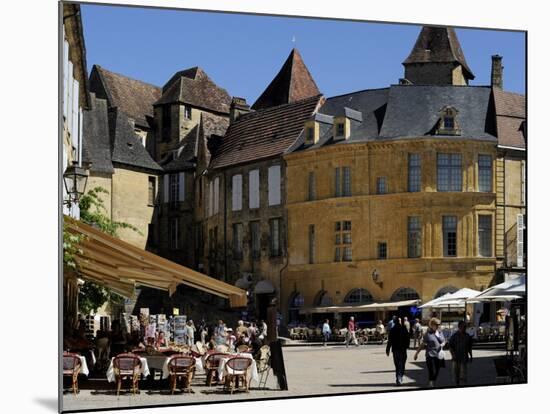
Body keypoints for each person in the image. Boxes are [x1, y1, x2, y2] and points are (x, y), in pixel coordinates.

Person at [414, 317, 445, 387]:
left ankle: (433, 380)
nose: (438, 326)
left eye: (439, 324)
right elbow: (422, 344)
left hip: (438, 354)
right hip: (430, 354)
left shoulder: (440, 332)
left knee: (437, 370)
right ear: (432, 325)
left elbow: (443, 341)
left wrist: (442, 343)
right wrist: (416, 353)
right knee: (431, 370)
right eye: (436, 324)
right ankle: (431, 382)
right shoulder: (427, 334)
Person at [386, 317, 410, 385]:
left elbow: (389, 341)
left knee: (398, 365)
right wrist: (407, 346)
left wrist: (387, 349)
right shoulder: (403, 328)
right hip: (401, 350)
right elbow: (407, 338)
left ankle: (399, 377)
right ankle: (399, 377)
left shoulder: (393, 329)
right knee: (401, 364)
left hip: (397, 349)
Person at [448, 321, 473, 386]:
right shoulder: (454, 336)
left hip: (464, 358)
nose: (464, 328)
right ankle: (457, 385)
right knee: (456, 374)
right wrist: (453, 355)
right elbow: (450, 347)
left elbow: (469, 347)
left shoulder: (468, 336)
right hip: (456, 358)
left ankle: (462, 385)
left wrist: (471, 356)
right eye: (463, 327)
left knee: (463, 374)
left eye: (465, 327)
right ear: (459, 327)